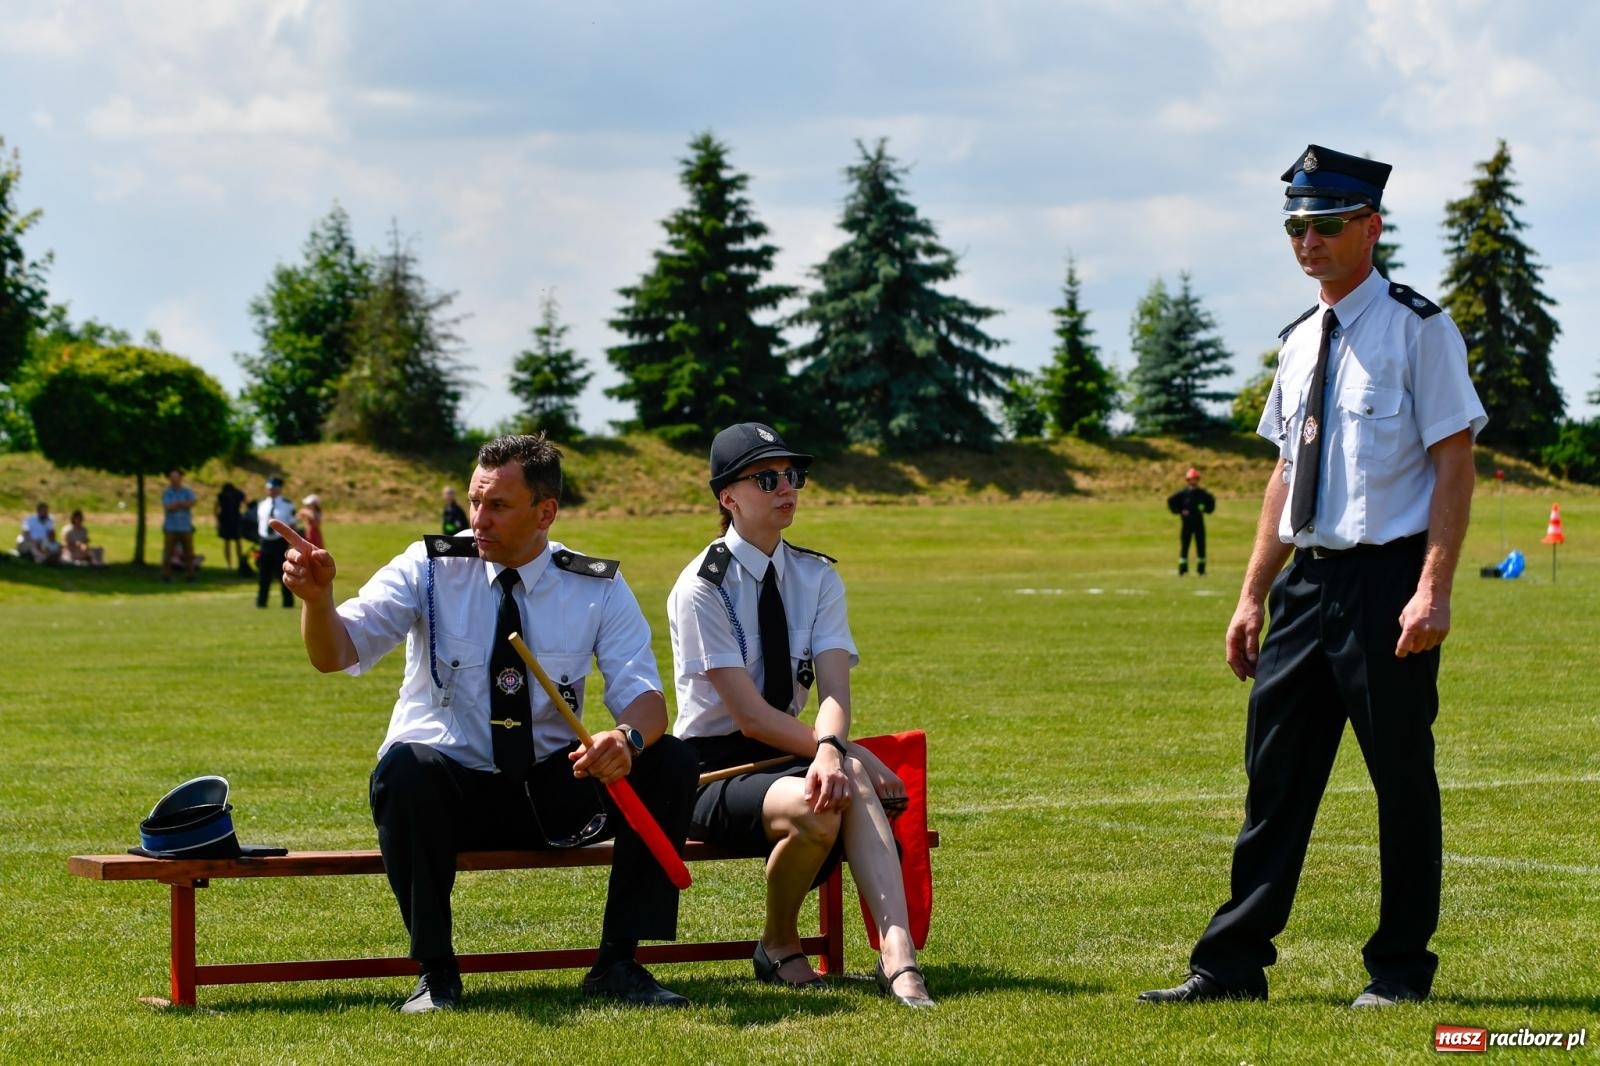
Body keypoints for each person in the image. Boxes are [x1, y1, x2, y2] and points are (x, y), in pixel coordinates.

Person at [1139, 146, 1486, 1010]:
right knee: (1275, 779)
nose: (1308, 240)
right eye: (1295, 225)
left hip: (1387, 583)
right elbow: (1284, 478)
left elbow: (1454, 463)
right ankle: (1229, 967)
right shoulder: (1298, 342)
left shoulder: (1418, 329)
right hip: (1306, 588)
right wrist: (1252, 592)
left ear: (1371, 225)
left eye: (1326, 224)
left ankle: (1400, 972)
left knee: (1401, 783)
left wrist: (1434, 587)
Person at [274, 434, 698, 1013]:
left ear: (545, 512)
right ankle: (436, 976)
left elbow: (647, 698)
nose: (478, 519)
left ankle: (619, 964)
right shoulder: (427, 567)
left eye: (497, 505)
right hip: (451, 795)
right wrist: (317, 601)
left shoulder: (596, 586)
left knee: (668, 757)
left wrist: (623, 740)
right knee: (404, 766)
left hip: (553, 791)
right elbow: (335, 653)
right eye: (475, 501)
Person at [667, 422, 934, 1008]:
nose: (786, 487)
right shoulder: (700, 587)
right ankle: (780, 942)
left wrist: (835, 749)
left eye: (793, 475)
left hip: (797, 751)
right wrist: (847, 751)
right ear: (727, 497)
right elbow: (751, 717)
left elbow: (835, 692)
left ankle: (899, 958)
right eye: (767, 478)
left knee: (837, 782)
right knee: (823, 802)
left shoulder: (817, 575)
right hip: (713, 770)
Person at [255, 476, 297, 608]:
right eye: (269, 488)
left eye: (273, 488)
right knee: (263, 574)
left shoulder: (287, 504)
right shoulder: (262, 504)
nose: (271, 491)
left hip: (279, 541)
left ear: (279, 489)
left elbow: (292, 524)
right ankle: (261, 602)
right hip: (265, 541)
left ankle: (288, 602)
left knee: (283, 574)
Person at [1167, 467, 1216, 576]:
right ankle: (1182, 569)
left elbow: (1211, 502)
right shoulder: (1183, 493)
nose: (1193, 481)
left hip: (1199, 523)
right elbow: (1171, 501)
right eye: (1191, 479)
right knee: (1185, 545)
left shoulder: (1202, 494)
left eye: (1195, 479)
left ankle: (1201, 570)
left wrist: (1206, 510)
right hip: (1186, 524)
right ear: (1188, 480)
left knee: (1201, 545)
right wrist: (1180, 511)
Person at [160, 468, 198, 583]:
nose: (174, 480)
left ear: (180, 479)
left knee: (189, 553)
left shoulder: (187, 491)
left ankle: (190, 575)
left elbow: (192, 502)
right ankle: (166, 575)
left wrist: (179, 504)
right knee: (168, 553)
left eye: (176, 478)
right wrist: (181, 504)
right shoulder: (167, 492)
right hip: (170, 527)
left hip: (185, 527)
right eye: (172, 478)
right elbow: (168, 507)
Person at [215, 482, 250, 574]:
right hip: (227, 520)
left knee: (236, 542)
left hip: (234, 520)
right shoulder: (222, 495)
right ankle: (229, 563)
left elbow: (247, 504)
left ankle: (238, 562)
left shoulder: (237, 494)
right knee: (229, 542)